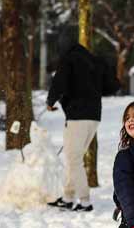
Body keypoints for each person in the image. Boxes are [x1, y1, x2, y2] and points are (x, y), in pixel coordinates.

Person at [45, 43, 117, 212]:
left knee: (73, 159)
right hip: (94, 117)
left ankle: (85, 201)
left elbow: (59, 81)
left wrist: (50, 101)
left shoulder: (69, 60)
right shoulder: (96, 62)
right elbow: (112, 86)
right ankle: (68, 198)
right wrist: (92, 91)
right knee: (75, 158)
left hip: (77, 116)